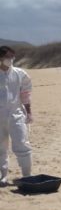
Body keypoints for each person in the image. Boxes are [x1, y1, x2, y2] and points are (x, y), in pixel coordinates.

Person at [0, 46, 33, 186]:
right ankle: (3, 175)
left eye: (12, 57)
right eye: (8, 57)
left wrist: (29, 112)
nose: (11, 60)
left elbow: (25, 94)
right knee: (1, 147)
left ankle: (27, 176)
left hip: (16, 114)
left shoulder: (20, 74)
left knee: (22, 144)